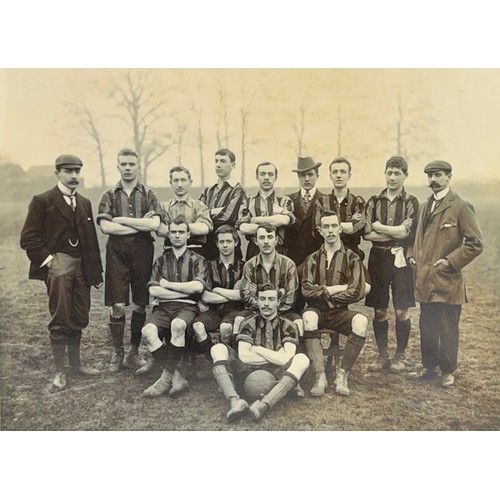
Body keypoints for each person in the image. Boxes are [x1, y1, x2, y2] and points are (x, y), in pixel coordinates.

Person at [20, 154, 103, 390]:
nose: (74, 175)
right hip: (58, 266)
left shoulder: (85, 202)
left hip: (82, 267)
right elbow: (28, 238)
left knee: (79, 313)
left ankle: (76, 365)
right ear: (57, 173)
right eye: (69, 171)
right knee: (60, 316)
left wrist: (95, 274)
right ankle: (59, 372)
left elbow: (92, 241)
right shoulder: (43, 201)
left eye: (78, 171)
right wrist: (49, 261)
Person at [408, 160, 483, 387]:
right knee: (427, 325)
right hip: (424, 279)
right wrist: (412, 254)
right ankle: (429, 367)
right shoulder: (423, 206)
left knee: (447, 327)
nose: (433, 180)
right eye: (430, 176)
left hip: (447, 279)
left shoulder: (460, 206)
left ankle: (448, 371)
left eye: (438, 175)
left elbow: (475, 243)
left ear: (449, 177)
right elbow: (415, 236)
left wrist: (449, 262)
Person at [97, 148, 161, 373]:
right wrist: (138, 224)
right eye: (123, 164)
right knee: (116, 304)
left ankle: (133, 352)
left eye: (131, 164)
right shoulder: (109, 194)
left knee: (140, 303)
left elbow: (154, 225)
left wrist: (121, 222)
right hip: (117, 252)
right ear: (118, 167)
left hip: (143, 251)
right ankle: (118, 351)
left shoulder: (149, 194)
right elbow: (105, 227)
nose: (127, 168)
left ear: (138, 166)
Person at [210, 283, 310, 421]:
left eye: (271, 299)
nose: (266, 304)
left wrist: (257, 349)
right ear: (257, 301)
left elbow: (286, 360)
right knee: (218, 348)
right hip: (247, 373)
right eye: (262, 299)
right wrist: (277, 355)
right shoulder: (248, 323)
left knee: (302, 359)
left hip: (277, 376)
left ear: (278, 302)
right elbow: (244, 357)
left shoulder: (288, 325)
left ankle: (263, 405)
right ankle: (235, 401)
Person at [140, 215, 210, 398]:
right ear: (169, 235)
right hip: (163, 307)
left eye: (181, 232)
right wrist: (185, 292)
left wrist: (168, 285)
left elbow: (198, 287)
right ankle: (176, 374)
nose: (177, 235)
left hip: (187, 308)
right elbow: (154, 290)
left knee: (177, 326)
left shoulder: (198, 260)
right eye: (173, 232)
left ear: (188, 235)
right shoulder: (161, 261)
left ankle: (165, 379)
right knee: (148, 331)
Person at [301, 210, 369, 397]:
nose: (330, 231)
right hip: (318, 310)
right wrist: (331, 290)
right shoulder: (312, 258)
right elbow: (306, 289)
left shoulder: (352, 258)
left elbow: (356, 290)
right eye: (326, 227)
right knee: (308, 316)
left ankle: (342, 375)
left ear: (340, 228)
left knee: (361, 322)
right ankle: (320, 376)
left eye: (333, 226)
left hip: (340, 312)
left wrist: (326, 296)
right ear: (320, 231)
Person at [363, 156, 419, 373]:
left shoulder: (412, 202)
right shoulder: (374, 200)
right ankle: (383, 355)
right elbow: (367, 234)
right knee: (379, 310)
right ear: (385, 173)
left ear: (405, 175)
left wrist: (380, 226)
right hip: (378, 258)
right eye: (389, 172)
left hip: (401, 259)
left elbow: (407, 233)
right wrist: (395, 232)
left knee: (402, 311)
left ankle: (400, 356)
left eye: (397, 173)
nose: (393, 177)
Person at [192, 225, 246, 346]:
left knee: (225, 328)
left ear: (236, 243)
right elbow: (206, 297)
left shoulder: (244, 267)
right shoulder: (208, 266)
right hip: (213, 312)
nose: (225, 245)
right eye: (221, 242)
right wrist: (232, 294)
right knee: (197, 326)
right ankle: (210, 355)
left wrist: (216, 290)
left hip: (235, 310)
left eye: (229, 241)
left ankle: (227, 358)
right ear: (217, 244)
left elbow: (243, 295)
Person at [236, 161, 295, 260]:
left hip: (279, 250)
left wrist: (254, 220)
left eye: (270, 174)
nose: (266, 177)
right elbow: (243, 228)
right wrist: (273, 224)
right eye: (262, 174)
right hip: (254, 251)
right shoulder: (248, 202)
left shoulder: (284, 200)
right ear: (257, 177)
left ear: (275, 177)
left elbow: (284, 220)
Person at [313, 157, 366, 260]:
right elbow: (317, 231)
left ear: (349, 176)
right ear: (330, 176)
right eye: (335, 172)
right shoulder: (321, 202)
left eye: (343, 172)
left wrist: (328, 226)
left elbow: (359, 228)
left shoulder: (358, 202)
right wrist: (349, 224)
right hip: (326, 257)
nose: (338, 175)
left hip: (352, 256)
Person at [198, 149, 246, 260]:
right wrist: (215, 211)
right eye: (216, 161)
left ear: (233, 165)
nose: (218, 165)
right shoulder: (208, 190)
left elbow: (228, 216)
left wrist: (207, 214)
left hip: (228, 242)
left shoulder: (238, 190)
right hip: (208, 243)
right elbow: (197, 213)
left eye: (223, 161)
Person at [157, 165, 213, 253]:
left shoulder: (199, 206)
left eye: (183, 180)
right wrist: (190, 229)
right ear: (170, 182)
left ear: (190, 182)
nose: (179, 185)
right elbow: (160, 230)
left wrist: (174, 230)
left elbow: (203, 228)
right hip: (170, 252)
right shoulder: (163, 206)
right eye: (176, 180)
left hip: (195, 251)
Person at [284, 156, 325, 267]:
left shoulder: (325, 200)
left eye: (310, 174)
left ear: (317, 176)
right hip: (292, 261)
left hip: (317, 261)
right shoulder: (287, 200)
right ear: (298, 177)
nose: (306, 179)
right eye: (303, 175)